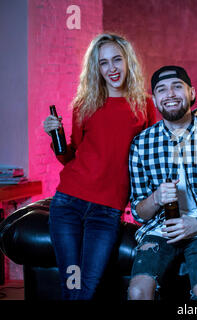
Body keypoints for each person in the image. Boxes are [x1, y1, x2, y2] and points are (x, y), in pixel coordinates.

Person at [43, 33, 155, 300]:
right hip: (68, 204)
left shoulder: (144, 104)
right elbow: (70, 156)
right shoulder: (85, 104)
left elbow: (148, 159)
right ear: (97, 68)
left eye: (117, 60)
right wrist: (54, 136)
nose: (111, 68)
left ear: (128, 62)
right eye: (104, 63)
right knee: (72, 287)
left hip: (106, 212)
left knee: (88, 290)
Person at [127, 65, 197, 300]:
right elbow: (138, 212)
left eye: (177, 87)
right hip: (159, 231)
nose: (170, 94)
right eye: (162, 90)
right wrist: (155, 198)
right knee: (136, 291)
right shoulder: (141, 144)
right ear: (155, 100)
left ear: (192, 93)